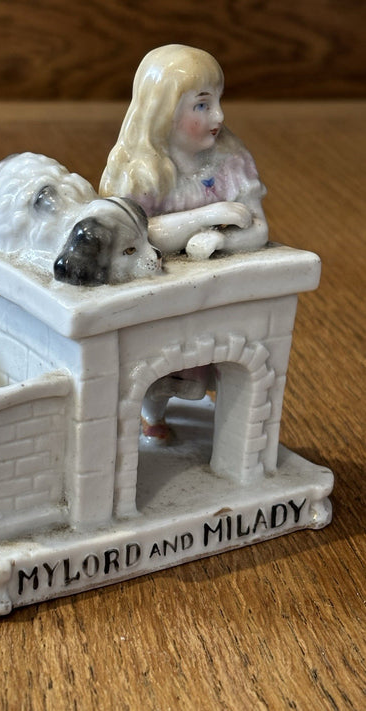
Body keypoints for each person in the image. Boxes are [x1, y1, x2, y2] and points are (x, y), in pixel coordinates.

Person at [99, 44, 269, 440]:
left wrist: (220, 241)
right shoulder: (138, 170)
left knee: (223, 354)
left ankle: (229, 429)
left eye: (218, 102)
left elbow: (258, 228)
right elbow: (135, 234)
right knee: (154, 364)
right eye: (202, 106)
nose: (219, 116)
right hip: (156, 292)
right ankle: (151, 417)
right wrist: (207, 216)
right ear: (164, 111)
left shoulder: (229, 159)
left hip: (215, 292)